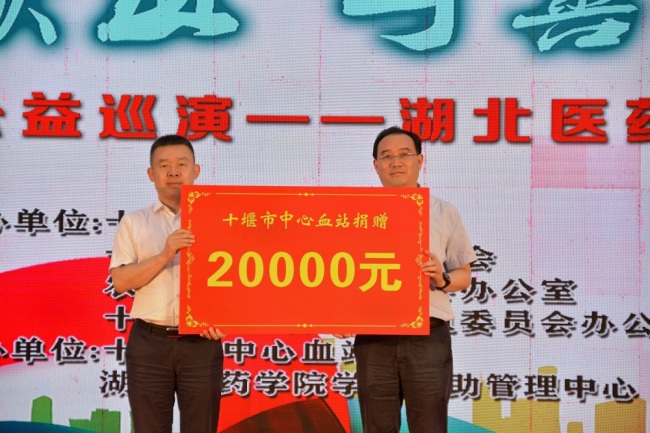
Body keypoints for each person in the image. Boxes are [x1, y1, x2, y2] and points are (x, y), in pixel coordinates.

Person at [347, 126, 477, 433]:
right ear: (376, 165)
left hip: (427, 335)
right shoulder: (356, 214)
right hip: (374, 336)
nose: (396, 162)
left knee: (429, 426)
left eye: (404, 154)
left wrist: (442, 278)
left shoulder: (444, 212)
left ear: (419, 160)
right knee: (377, 426)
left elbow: (464, 276)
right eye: (386, 156)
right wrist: (340, 315)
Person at [110, 134, 226, 433]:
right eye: (164, 166)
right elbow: (120, 282)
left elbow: (238, 281)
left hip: (202, 344)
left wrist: (223, 317)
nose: (173, 172)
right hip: (149, 344)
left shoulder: (221, 220)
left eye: (181, 164)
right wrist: (165, 254)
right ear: (151, 174)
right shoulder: (134, 222)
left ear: (196, 171)